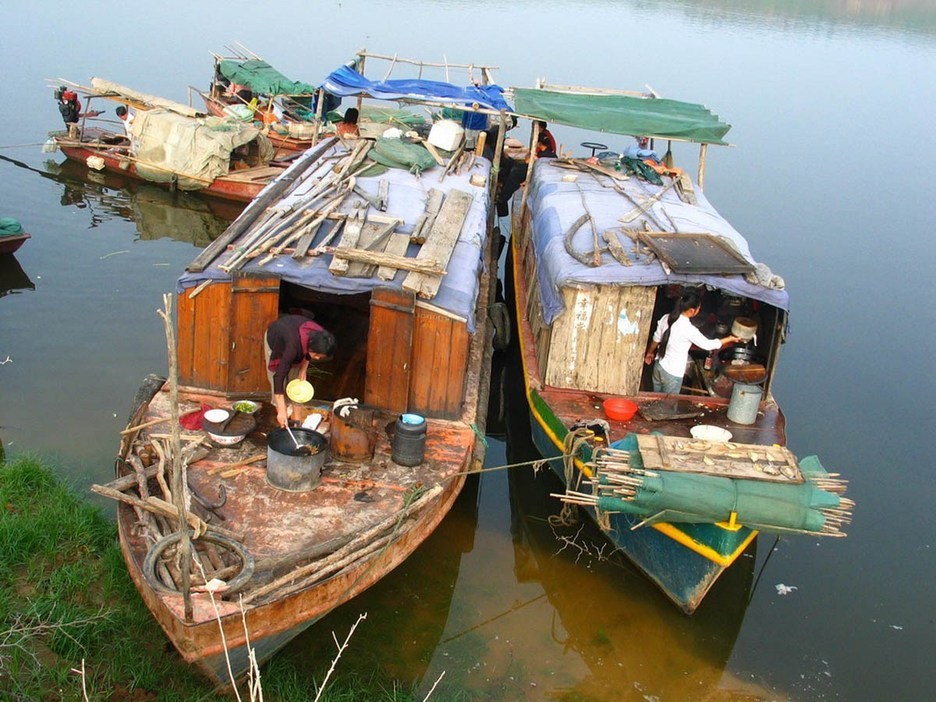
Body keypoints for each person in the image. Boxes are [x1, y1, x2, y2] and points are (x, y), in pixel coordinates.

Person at [644, 290, 740, 395]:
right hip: (672, 373)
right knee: (668, 406)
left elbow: (656, 339)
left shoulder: (666, 318)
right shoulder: (689, 329)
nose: (699, 310)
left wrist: (650, 352)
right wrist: (730, 338)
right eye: (699, 308)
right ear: (692, 310)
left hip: (658, 367)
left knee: (655, 400)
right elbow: (708, 345)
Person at [265, 314, 337, 428]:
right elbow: (278, 377)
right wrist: (282, 410)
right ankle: (282, 420)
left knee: (297, 383)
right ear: (310, 347)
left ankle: (297, 423)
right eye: (317, 355)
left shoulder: (322, 336)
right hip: (276, 338)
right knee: (280, 383)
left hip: (295, 337)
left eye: (321, 356)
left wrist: (303, 369)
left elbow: (308, 354)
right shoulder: (293, 347)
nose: (318, 358)